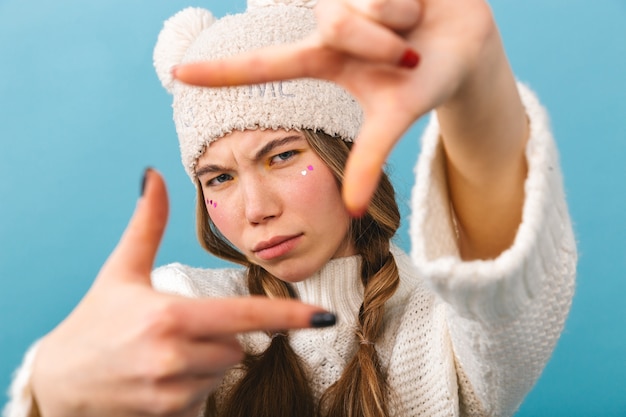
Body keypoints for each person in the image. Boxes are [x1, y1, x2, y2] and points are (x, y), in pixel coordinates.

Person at [4, 0, 577, 416]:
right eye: (220, 177)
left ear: (346, 154)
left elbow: (505, 282)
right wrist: (52, 392)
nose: (254, 209)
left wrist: (478, 79)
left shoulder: (449, 324)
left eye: (281, 157)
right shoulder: (188, 312)